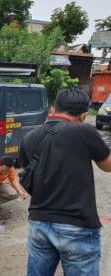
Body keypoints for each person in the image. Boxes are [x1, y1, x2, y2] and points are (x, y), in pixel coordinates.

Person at [19, 88, 111, 276]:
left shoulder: (29, 137)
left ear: (54, 109)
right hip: (77, 225)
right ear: (84, 115)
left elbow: (25, 171)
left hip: (39, 224)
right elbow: (107, 165)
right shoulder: (84, 131)